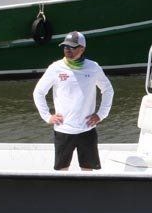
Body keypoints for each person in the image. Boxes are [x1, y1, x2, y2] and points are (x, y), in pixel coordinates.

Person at [33, 31, 114, 171]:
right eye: (65, 46)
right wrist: (47, 116)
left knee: (88, 170)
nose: (67, 49)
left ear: (82, 48)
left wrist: (101, 114)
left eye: (72, 47)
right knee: (61, 170)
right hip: (63, 130)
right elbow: (38, 92)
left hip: (87, 130)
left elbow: (108, 90)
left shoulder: (93, 67)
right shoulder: (55, 68)